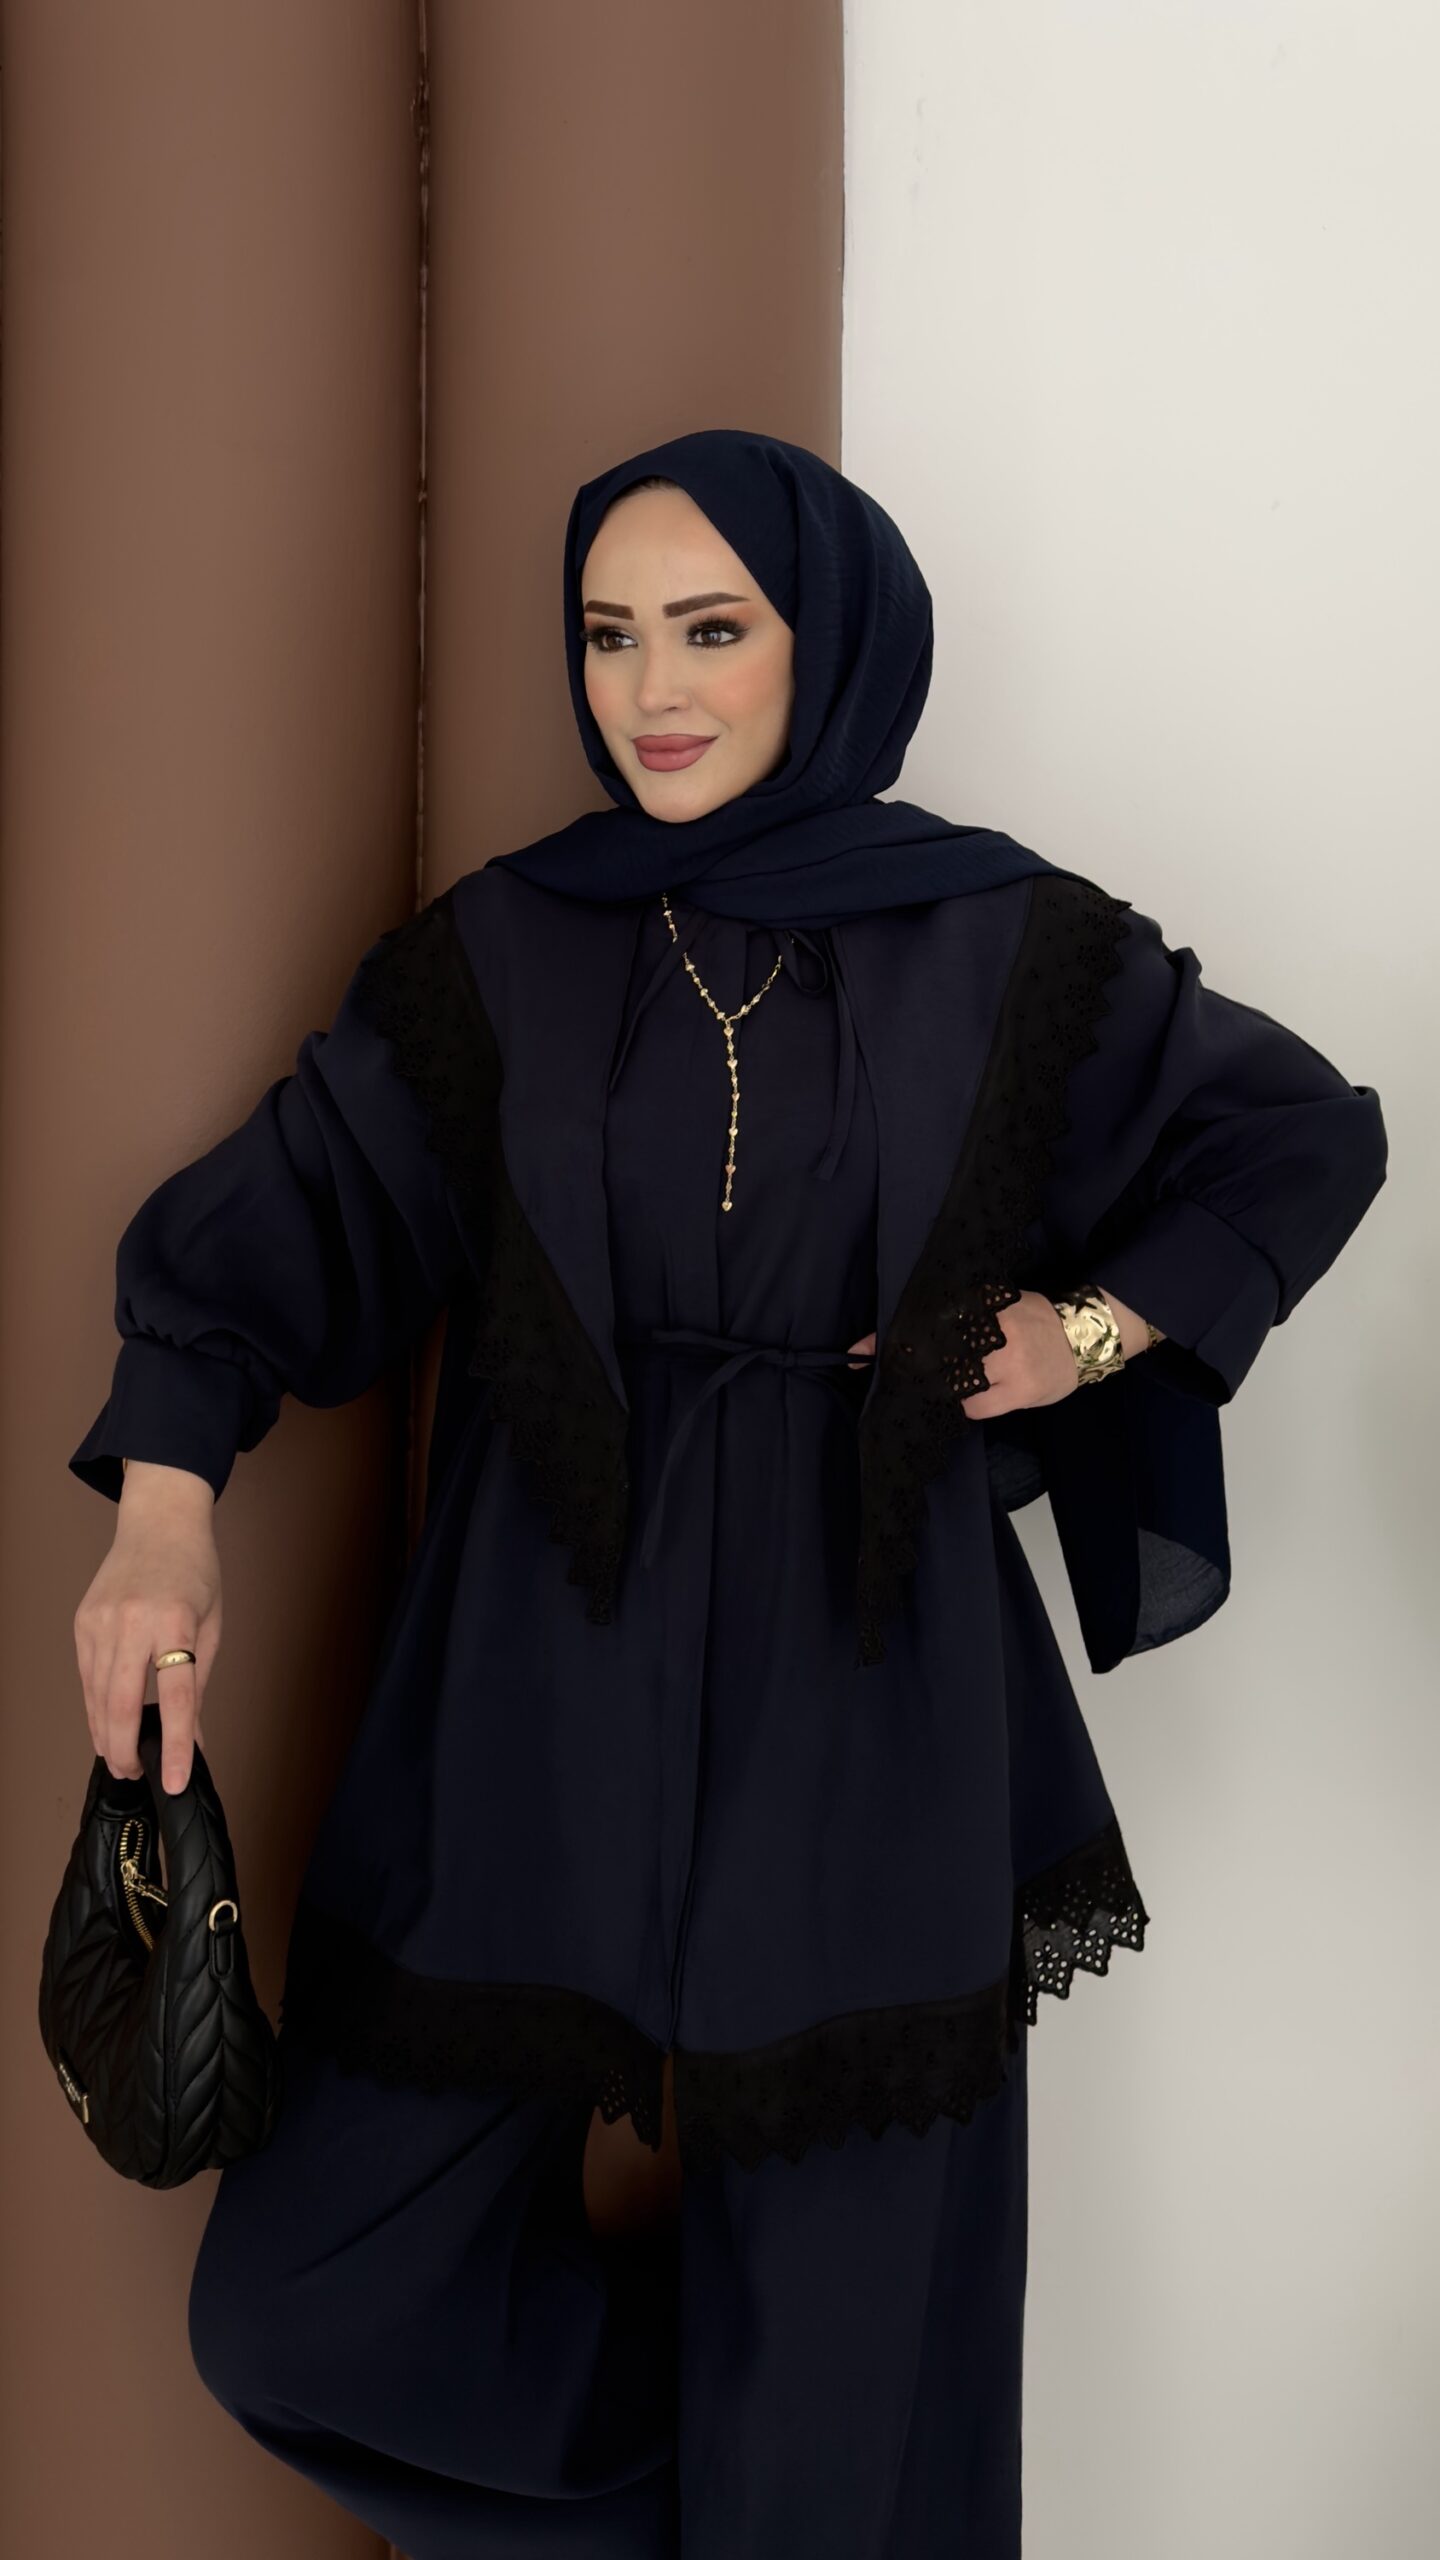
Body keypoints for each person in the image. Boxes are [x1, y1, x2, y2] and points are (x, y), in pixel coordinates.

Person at [70, 427, 1388, 2557]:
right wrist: (162, 1511)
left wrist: (1084, 1333)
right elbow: (281, 1227)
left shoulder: (1002, 939)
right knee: (307, 2313)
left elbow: (1300, 1134)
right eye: (608, 634)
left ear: (829, 644)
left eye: (710, 630)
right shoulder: (507, 952)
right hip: (532, 1713)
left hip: (873, 1710)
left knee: (862, 2379)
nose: (649, 689)